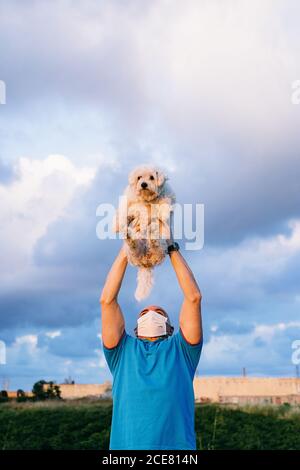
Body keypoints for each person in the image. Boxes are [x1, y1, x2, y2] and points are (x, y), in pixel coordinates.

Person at [100, 240, 203, 450]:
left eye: (160, 313)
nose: (151, 314)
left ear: (171, 329)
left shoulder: (183, 351)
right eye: (144, 313)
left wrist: (170, 247)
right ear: (135, 329)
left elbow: (193, 297)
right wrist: (127, 249)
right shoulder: (121, 352)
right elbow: (107, 301)